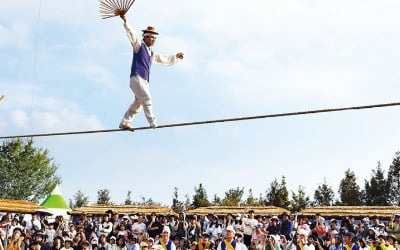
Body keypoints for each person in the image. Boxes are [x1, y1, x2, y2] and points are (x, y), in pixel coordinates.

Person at [118, 14, 184, 130]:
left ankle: (124, 122)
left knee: (138, 104)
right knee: (147, 99)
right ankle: (152, 122)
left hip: (143, 81)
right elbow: (132, 34)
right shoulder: (139, 46)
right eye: (151, 37)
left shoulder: (151, 53)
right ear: (145, 37)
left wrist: (176, 57)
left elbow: (163, 59)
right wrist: (125, 21)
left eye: (154, 38)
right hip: (137, 78)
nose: (153, 40)